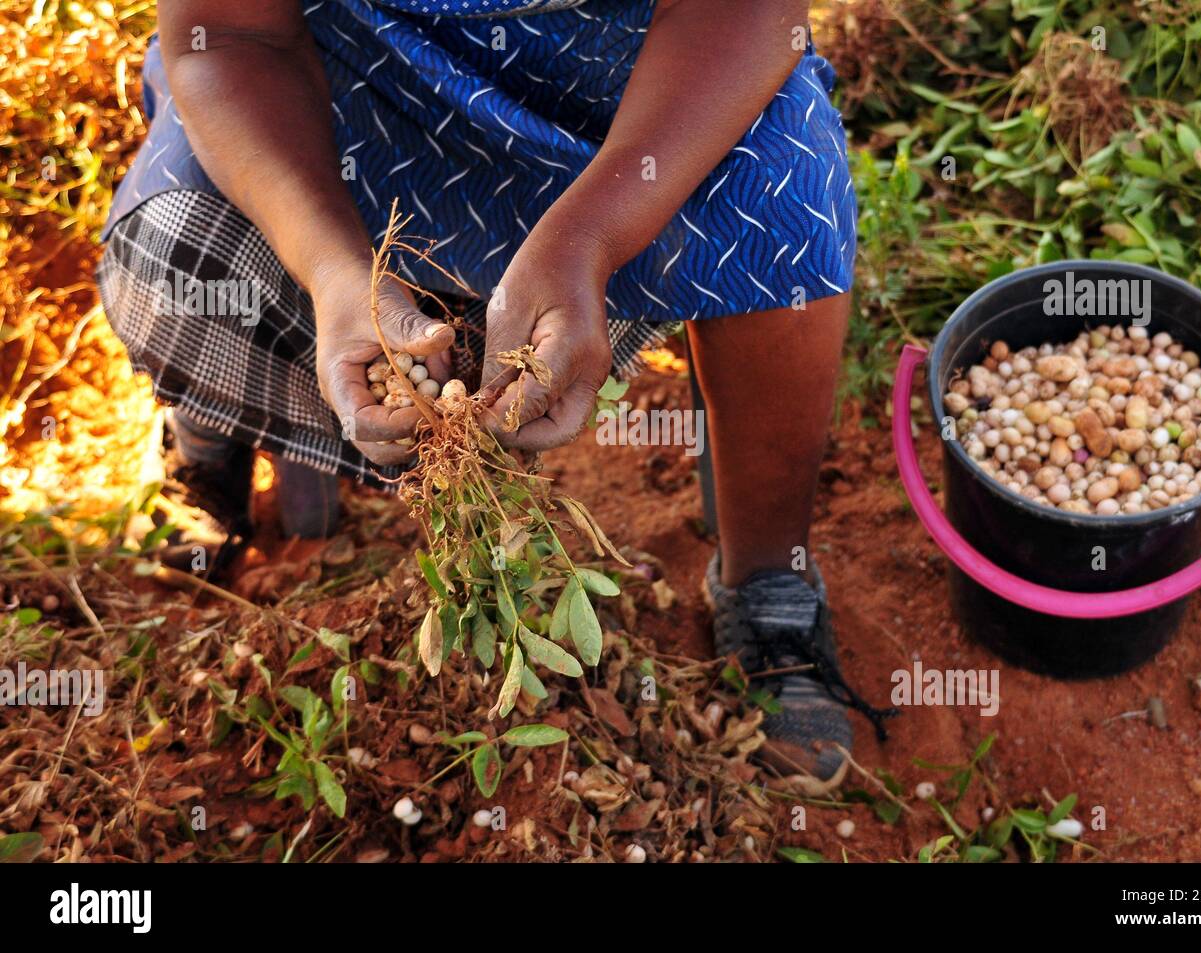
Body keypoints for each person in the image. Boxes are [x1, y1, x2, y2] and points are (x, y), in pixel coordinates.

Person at [96, 0, 894, 779]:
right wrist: (337, 274)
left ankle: (767, 577)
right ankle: (211, 432)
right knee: (184, 248)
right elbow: (228, 32)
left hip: (631, 71)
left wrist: (591, 235)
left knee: (788, 210)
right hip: (359, 63)